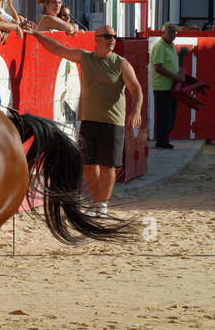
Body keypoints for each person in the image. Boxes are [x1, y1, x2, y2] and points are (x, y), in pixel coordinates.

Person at [26, 22, 142, 217]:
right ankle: (96, 202)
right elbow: (58, 49)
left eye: (113, 36)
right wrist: (37, 34)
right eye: (107, 36)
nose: (112, 40)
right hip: (89, 119)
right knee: (88, 164)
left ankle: (102, 204)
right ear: (96, 40)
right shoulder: (86, 58)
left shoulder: (121, 63)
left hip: (113, 121)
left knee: (108, 165)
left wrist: (136, 110)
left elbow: (136, 88)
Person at [150, 22, 184, 147]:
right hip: (162, 86)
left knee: (170, 115)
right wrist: (176, 76)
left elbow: (172, 65)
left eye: (175, 32)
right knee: (164, 115)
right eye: (171, 31)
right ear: (163, 33)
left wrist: (179, 74)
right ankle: (162, 141)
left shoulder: (171, 45)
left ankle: (163, 139)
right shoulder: (160, 46)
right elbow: (158, 68)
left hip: (171, 86)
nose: (173, 34)